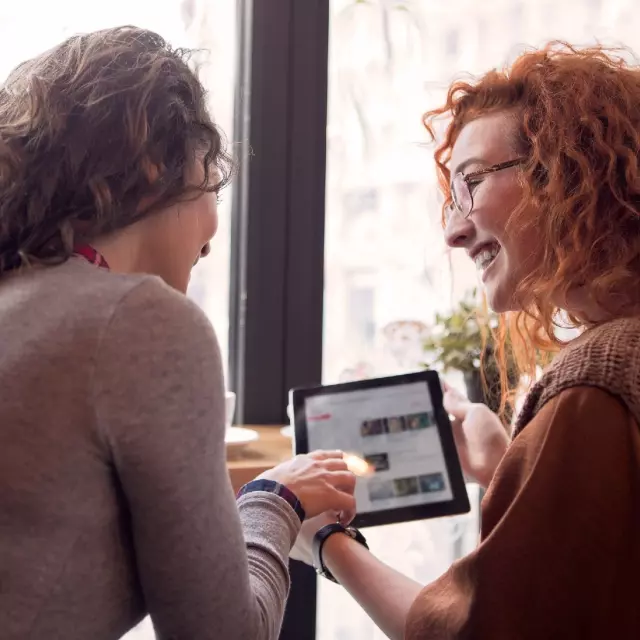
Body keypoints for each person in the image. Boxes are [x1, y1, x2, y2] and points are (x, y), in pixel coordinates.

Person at [0, 27, 357, 640]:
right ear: (154, 164)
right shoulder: (142, 318)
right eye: (209, 181)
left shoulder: (21, 297)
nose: (213, 233)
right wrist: (276, 499)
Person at [291, 43, 640, 639]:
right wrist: (511, 465)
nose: (453, 231)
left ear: (570, 172)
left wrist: (325, 541)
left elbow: (475, 631)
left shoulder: (596, 378)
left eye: (473, 183)